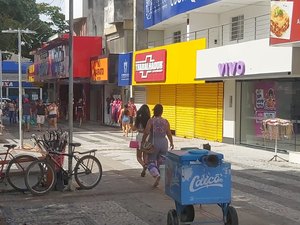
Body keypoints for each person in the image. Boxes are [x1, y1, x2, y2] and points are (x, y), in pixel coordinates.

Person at [142, 104, 174, 188]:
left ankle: (156, 175)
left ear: (154, 111)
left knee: (150, 161)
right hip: (164, 142)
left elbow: (146, 132)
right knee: (162, 161)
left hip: (154, 143)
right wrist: (171, 143)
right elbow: (169, 134)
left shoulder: (151, 121)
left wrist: (143, 141)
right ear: (162, 112)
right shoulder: (165, 121)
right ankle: (168, 179)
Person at [132, 104, 151, 177]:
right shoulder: (149, 119)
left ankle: (143, 165)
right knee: (145, 154)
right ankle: (145, 166)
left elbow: (133, 128)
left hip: (139, 137)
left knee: (138, 156)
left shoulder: (138, 119)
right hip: (147, 137)